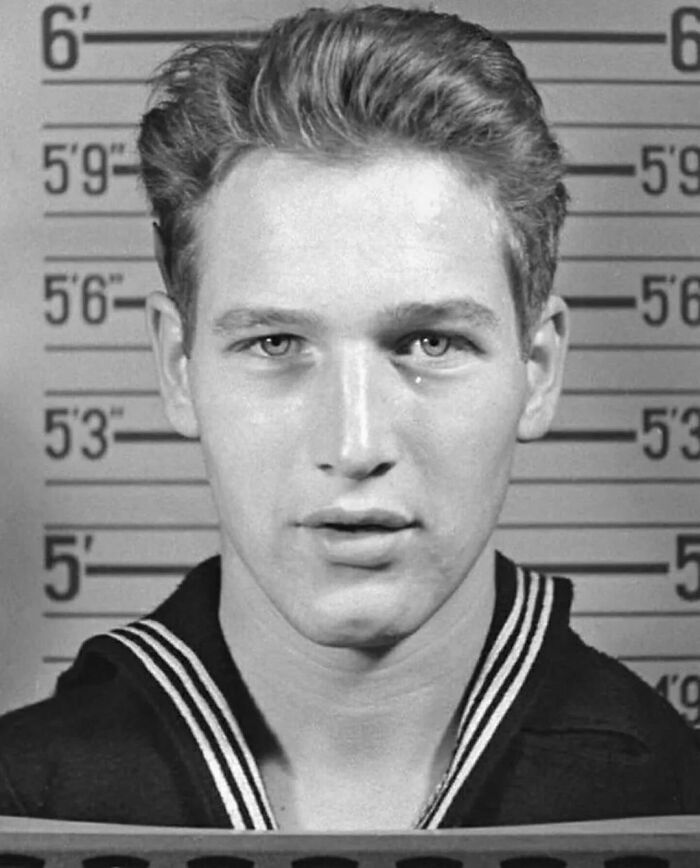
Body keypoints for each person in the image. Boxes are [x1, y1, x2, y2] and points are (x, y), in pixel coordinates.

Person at [0, 4, 698, 830]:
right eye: (274, 343)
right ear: (178, 366)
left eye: (430, 342)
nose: (355, 444)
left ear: (537, 371)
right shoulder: (21, 802)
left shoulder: (677, 799)